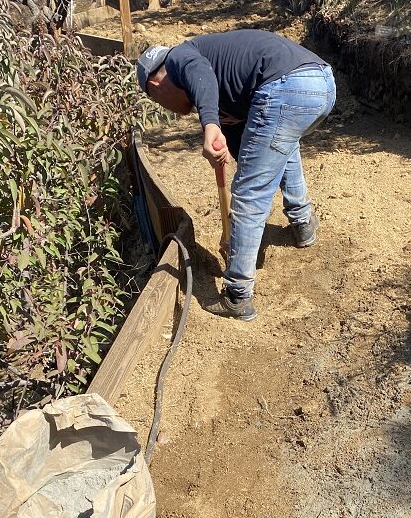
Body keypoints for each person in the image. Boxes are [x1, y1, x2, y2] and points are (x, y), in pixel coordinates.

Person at [136, 30, 336, 321]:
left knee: (248, 193)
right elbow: (252, 155)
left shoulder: (180, 56)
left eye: (156, 101)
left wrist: (210, 125)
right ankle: (303, 224)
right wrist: (235, 232)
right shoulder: (223, 85)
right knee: (280, 144)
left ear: (155, 86)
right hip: (321, 82)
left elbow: (197, 70)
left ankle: (237, 296)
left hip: (285, 85)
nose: (172, 112)